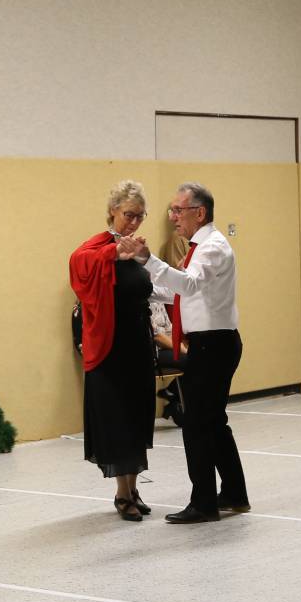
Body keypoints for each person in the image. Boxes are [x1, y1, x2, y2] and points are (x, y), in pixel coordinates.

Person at [127, 182, 249, 523]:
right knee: (213, 422)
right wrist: (145, 291)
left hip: (213, 345)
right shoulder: (200, 247)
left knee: (196, 424)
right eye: (172, 210)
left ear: (200, 212)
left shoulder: (212, 247)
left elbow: (190, 285)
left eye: (178, 210)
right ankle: (234, 494)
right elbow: (185, 292)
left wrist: (147, 260)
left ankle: (204, 503)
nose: (173, 216)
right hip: (212, 344)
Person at [69, 180, 157, 521]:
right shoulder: (98, 246)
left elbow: (150, 288)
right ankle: (122, 494)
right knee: (119, 420)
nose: (134, 222)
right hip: (112, 348)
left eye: (140, 216)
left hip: (138, 345)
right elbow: (78, 264)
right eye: (128, 215)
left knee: (137, 417)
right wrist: (113, 253)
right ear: (112, 211)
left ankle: (133, 489)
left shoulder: (137, 248)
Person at [150, 298, 186, 424]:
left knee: (200, 358)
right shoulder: (144, 301)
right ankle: (173, 393)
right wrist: (183, 349)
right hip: (154, 352)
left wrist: (181, 345)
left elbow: (169, 329)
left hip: (166, 348)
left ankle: (172, 395)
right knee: (192, 360)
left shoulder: (158, 298)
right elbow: (157, 336)